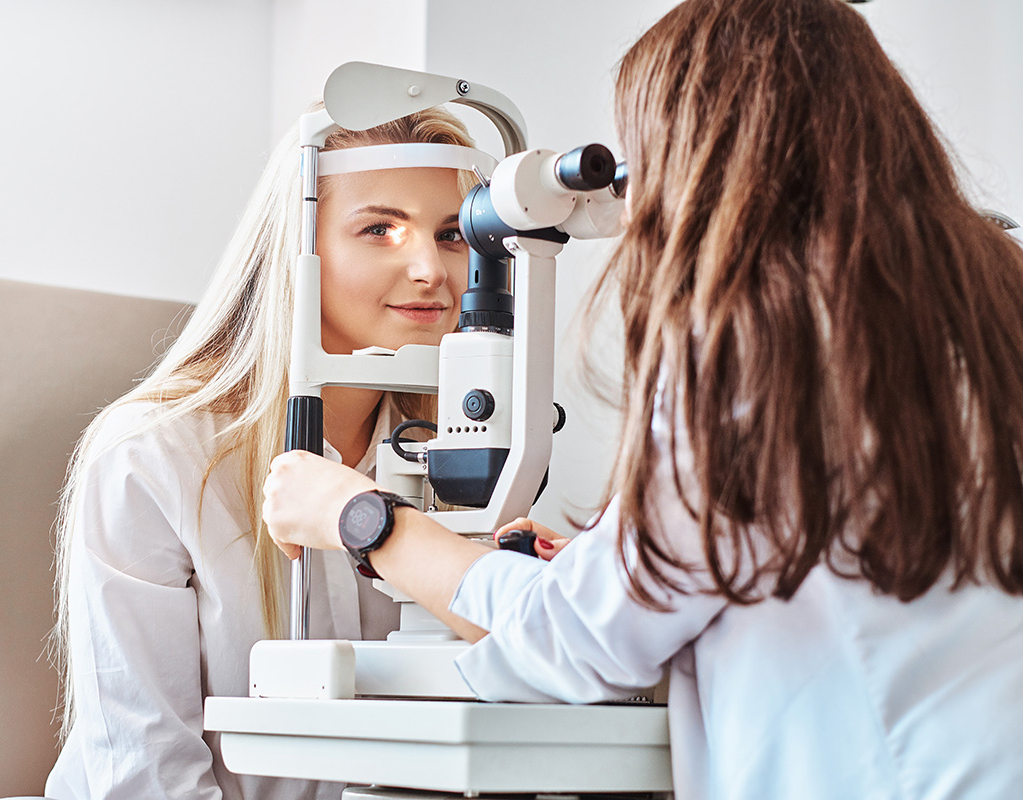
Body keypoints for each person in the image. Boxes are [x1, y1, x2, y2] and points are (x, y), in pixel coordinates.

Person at [261, 1, 1023, 798]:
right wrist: (613, 562)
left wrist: (362, 517)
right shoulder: (984, 303)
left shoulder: (770, 344)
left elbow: (572, 640)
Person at [45, 105, 481, 799]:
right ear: (297, 250)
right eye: (381, 229)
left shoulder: (462, 461)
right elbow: (145, 774)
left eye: (452, 234)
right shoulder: (152, 458)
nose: (430, 268)